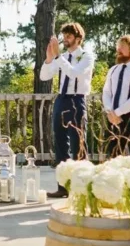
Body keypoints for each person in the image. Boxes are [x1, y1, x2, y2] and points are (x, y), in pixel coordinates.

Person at [41, 23, 95, 198]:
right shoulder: (61, 57)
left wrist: (57, 58)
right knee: (60, 143)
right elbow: (44, 76)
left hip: (77, 100)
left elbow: (73, 73)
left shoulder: (87, 57)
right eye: (64, 35)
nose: (65, 39)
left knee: (78, 143)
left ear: (78, 39)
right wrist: (49, 59)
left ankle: (82, 188)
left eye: (69, 36)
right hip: (61, 100)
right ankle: (63, 187)